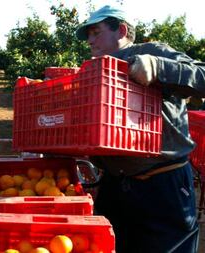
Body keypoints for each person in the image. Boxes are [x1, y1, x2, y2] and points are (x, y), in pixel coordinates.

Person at [75, 5, 205, 253]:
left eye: (96, 32)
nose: (90, 40)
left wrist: (158, 67)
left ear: (121, 30)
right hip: (117, 185)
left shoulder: (151, 52)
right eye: (88, 35)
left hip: (163, 185)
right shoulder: (94, 70)